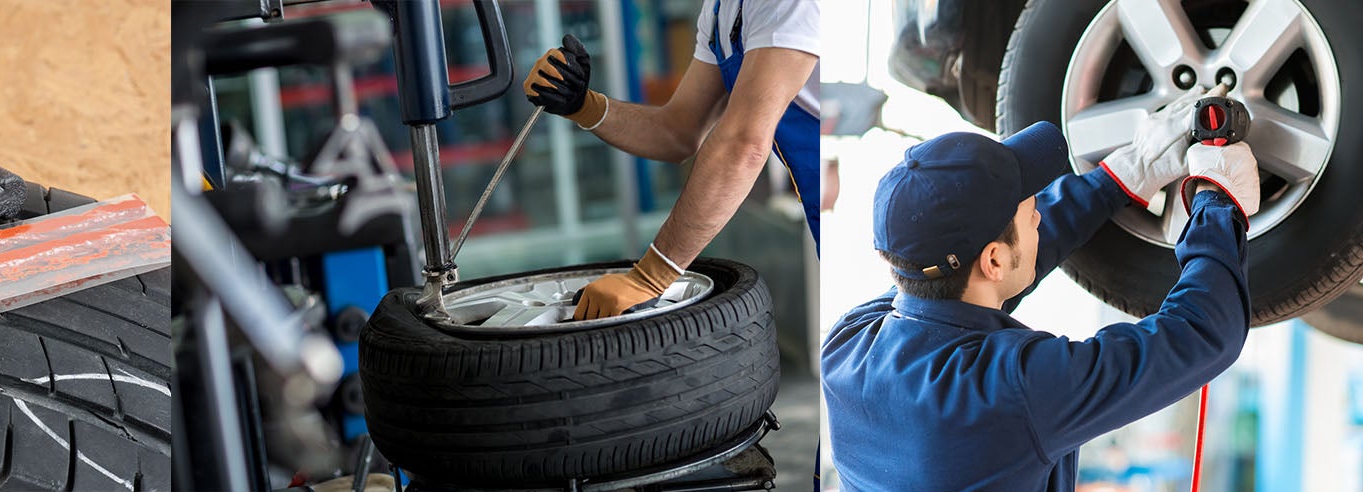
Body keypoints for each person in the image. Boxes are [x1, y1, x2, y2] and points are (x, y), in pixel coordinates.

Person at [820, 86, 1259, 490]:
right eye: (1029, 206)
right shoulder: (1012, 392)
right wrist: (1217, 200)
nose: (1038, 215)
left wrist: (1118, 179)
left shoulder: (848, 345)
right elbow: (1203, 334)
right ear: (992, 260)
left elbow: (982, 277)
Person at [520, 0, 819, 320]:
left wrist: (649, 278)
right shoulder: (720, 10)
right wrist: (583, 105)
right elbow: (678, 131)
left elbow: (743, 143)